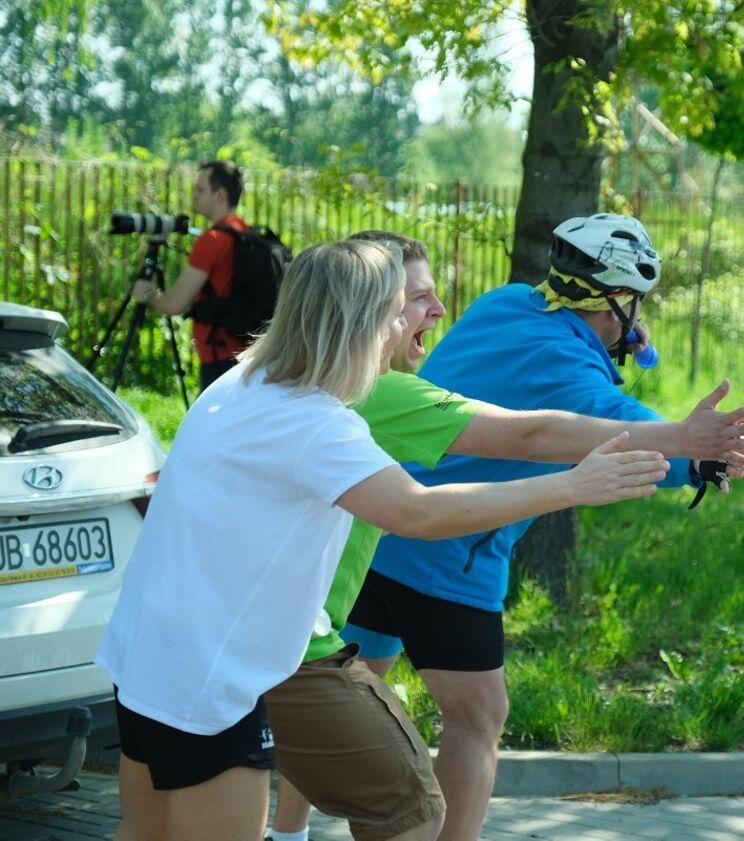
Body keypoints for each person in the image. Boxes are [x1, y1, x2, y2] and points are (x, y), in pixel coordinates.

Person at [95, 239, 673, 841]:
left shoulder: (243, 382)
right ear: (362, 321)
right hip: (209, 679)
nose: (408, 324)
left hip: (146, 655)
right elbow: (417, 513)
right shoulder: (317, 422)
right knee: (412, 810)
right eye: (398, 311)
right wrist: (572, 486)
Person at [264, 229, 744, 841]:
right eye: (636, 303)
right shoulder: (568, 369)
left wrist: (618, 336)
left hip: (372, 533)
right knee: (477, 719)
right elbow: (605, 426)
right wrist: (696, 455)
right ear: (617, 301)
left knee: (343, 687)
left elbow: (563, 361)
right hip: (452, 551)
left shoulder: (503, 304)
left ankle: (287, 833)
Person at [129, 160, 250, 389]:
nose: (195, 196)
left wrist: (147, 293)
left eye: (201, 189)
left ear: (220, 195)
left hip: (218, 355)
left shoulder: (212, 240)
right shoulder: (244, 233)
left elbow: (174, 305)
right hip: (246, 353)